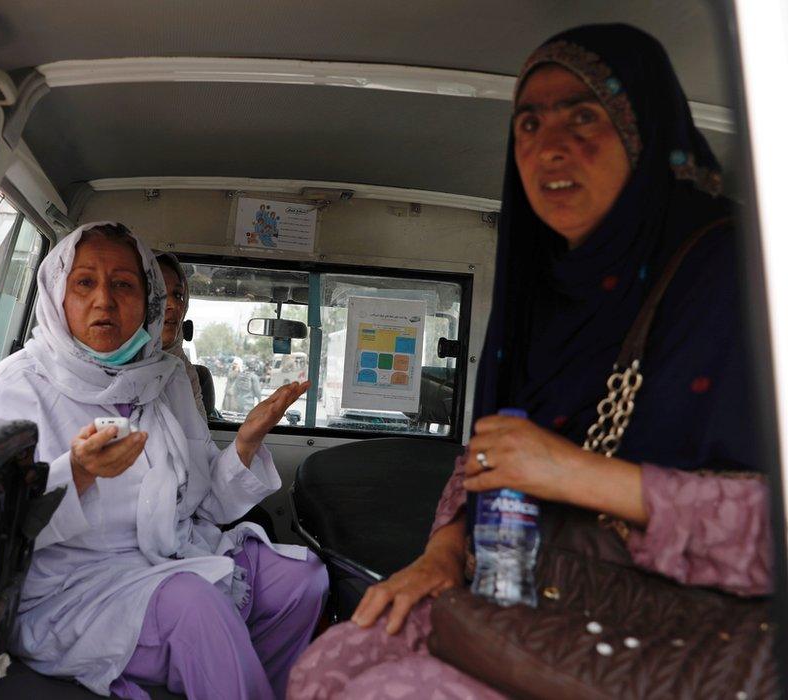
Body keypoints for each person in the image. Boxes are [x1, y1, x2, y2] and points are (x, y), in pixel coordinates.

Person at [288, 24, 772, 699]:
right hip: (526, 587)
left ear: (645, 130)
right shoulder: (537, 298)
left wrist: (578, 475)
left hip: (675, 633)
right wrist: (444, 550)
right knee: (329, 664)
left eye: (583, 115)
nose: (550, 146)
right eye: (529, 122)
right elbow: (489, 458)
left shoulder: (743, 279)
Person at [0, 222, 328, 700]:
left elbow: (204, 503)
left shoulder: (166, 378)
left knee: (303, 578)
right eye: (85, 283)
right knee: (194, 607)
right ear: (58, 293)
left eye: (122, 284)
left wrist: (245, 443)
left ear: (148, 300)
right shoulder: (15, 388)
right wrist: (76, 474)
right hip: (76, 587)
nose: (104, 300)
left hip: (173, 551)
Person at [155, 251, 207, 420]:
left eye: (178, 295)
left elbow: (200, 444)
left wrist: (245, 442)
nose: (174, 305)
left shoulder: (183, 372)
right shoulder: (104, 366)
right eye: (158, 293)